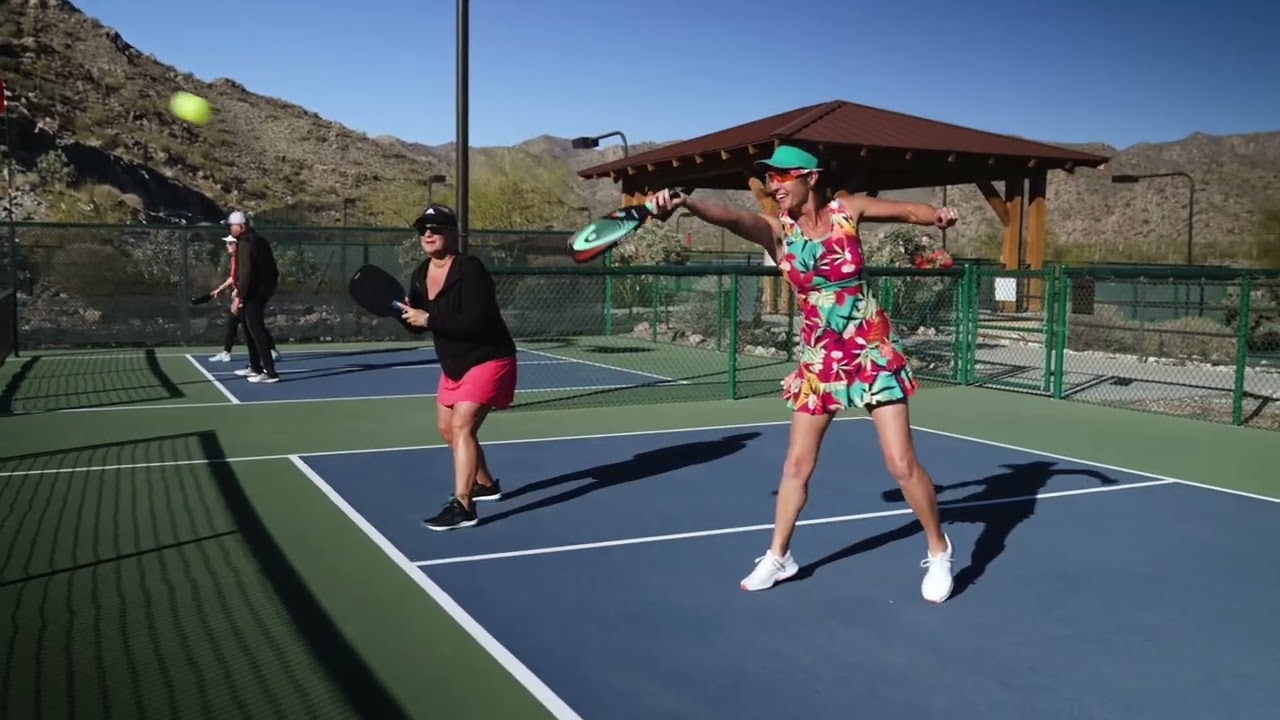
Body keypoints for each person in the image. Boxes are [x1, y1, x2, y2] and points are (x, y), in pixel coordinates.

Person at [647, 143, 959, 603]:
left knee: (900, 464)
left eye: (782, 177)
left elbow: (909, 211)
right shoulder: (777, 231)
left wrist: (936, 214)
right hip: (818, 360)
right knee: (796, 465)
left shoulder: (847, 210)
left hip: (870, 352)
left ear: (810, 177)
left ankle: (938, 549)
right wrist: (687, 201)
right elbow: (734, 219)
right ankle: (779, 556)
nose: (774, 186)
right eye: (769, 179)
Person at [397, 203, 517, 530]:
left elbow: (477, 320)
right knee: (447, 430)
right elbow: (419, 322)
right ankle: (487, 485)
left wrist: (430, 318)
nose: (428, 234)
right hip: (453, 363)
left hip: (489, 356)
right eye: (423, 229)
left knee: (463, 426)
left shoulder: (470, 269)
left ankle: (463, 505)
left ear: (452, 233)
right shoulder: (421, 273)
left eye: (435, 228)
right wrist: (406, 316)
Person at [225, 211, 281, 383]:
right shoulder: (256, 240)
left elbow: (247, 272)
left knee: (255, 329)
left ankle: (270, 372)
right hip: (258, 290)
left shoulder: (246, 243)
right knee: (249, 328)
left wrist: (239, 297)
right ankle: (255, 367)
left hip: (255, 292)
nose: (230, 228)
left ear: (241, 226)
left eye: (232, 225)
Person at [208, 233, 279, 364]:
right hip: (242, 296)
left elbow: (246, 278)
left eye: (230, 243)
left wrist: (238, 295)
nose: (227, 246)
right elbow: (234, 277)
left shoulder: (244, 259)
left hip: (247, 296)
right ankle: (227, 352)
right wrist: (221, 288)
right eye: (227, 243)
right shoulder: (234, 259)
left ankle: (267, 357)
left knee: (254, 325)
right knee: (235, 323)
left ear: (237, 245)